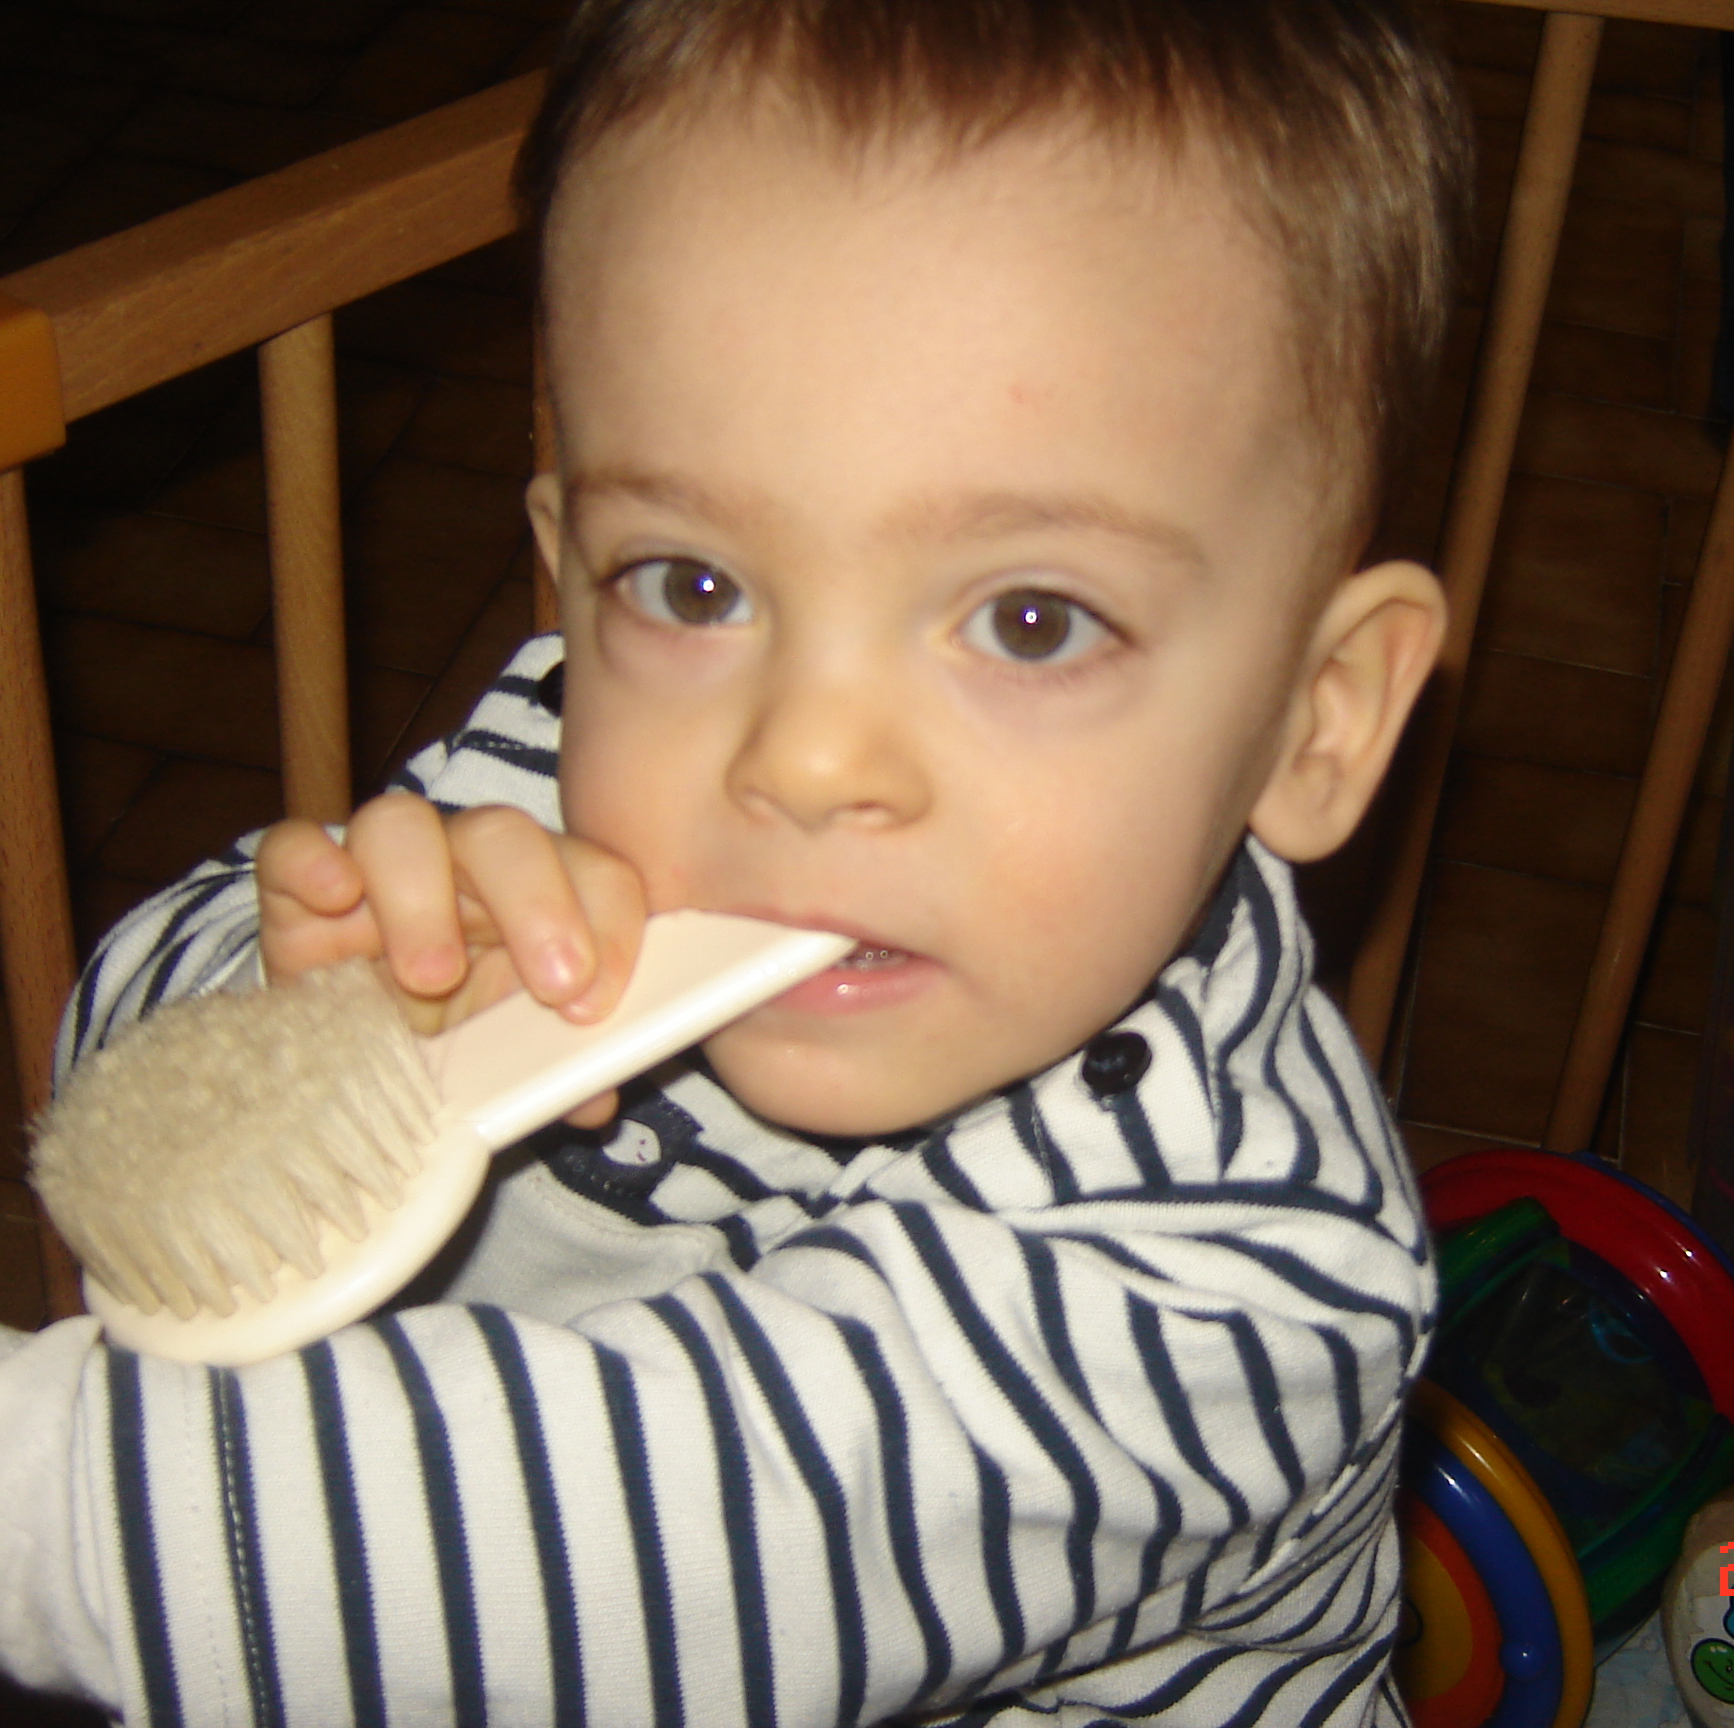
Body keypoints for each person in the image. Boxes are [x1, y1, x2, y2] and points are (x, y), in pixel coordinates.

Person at [0, 0, 1471, 1720]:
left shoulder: (1229, 1289)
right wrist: (321, 1022)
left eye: (1031, 619)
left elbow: (527, 1568)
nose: (802, 756)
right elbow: (119, 1105)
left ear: (1315, 716)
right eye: (692, 585)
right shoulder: (572, 770)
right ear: (571, 572)